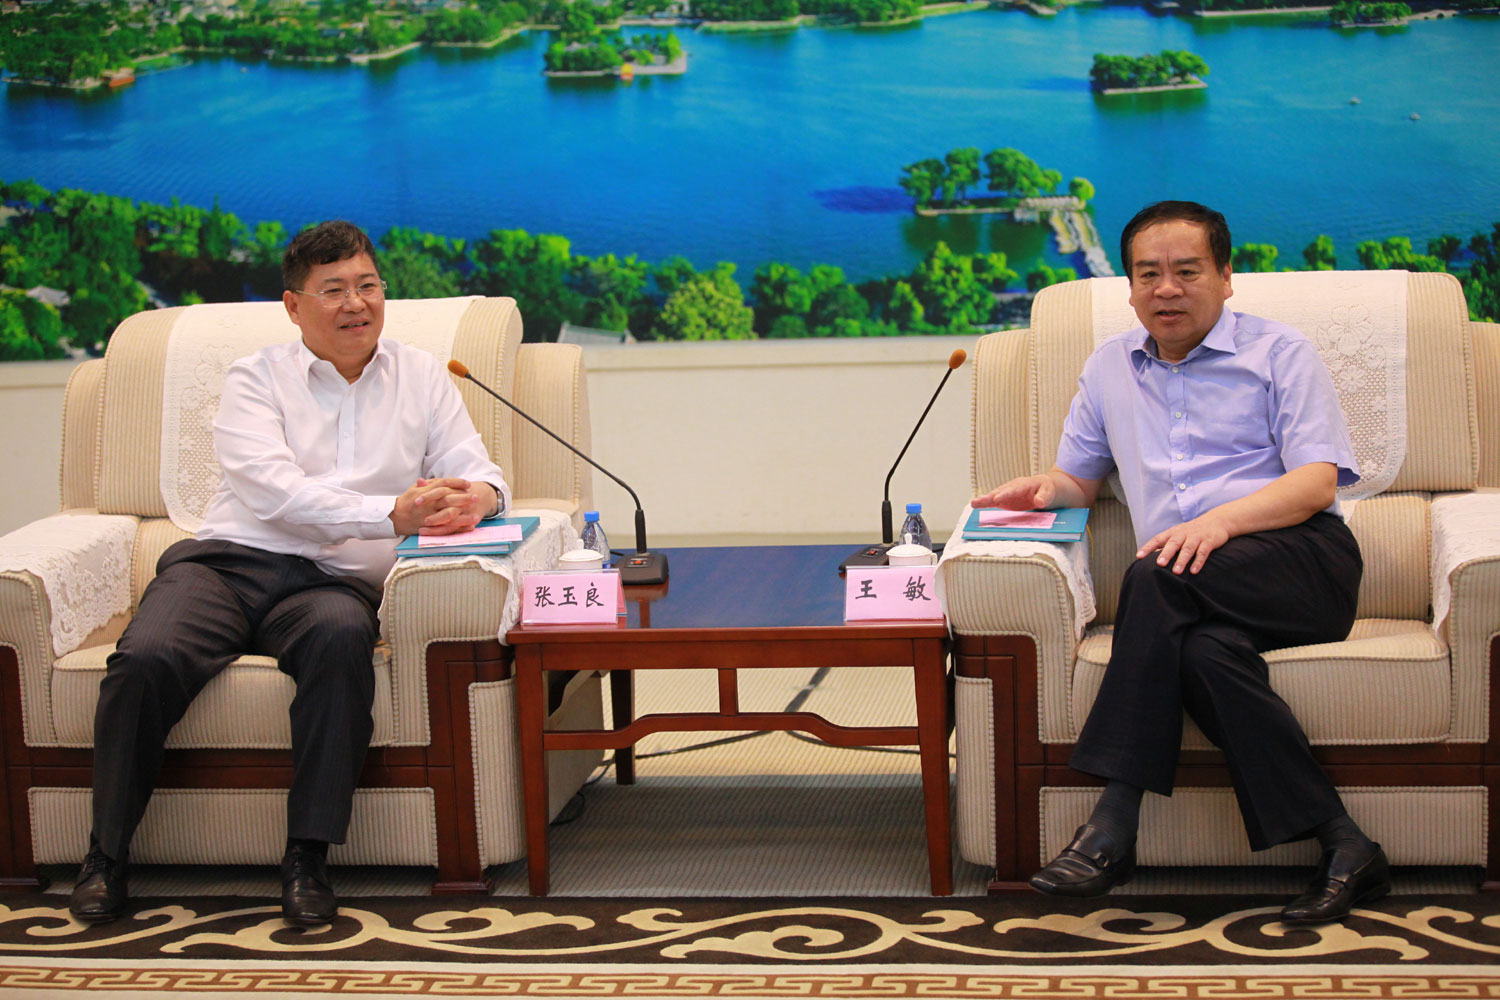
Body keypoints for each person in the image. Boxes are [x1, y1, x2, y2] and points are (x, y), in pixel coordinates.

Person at [69, 220, 511, 927]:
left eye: (367, 285)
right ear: (293, 306)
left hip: (331, 584)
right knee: (145, 657)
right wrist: (389, 514)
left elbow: (477, 466)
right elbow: (274, 492)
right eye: (333, 290)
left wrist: (479, 498)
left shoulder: (423, 375)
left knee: (340, 643)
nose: (356, 304)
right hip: (227, 566)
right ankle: (106, 856)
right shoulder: (255, 378)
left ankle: (307, 857)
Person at [972, 201, 1386, 924]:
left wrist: (1219, 523)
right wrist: (1043, 490)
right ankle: (1347, 845)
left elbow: (1318, 481)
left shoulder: (1279, 353)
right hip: (1190, 587)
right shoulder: (1109, 367)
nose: (1166, 289)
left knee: (1157, 571)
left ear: (1225, 277)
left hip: (1303, 566)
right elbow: (1080, 480)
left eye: (1187, 271)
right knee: (1203, 655)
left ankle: (1113, 822)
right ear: (1131, 288)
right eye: (1148, 274)